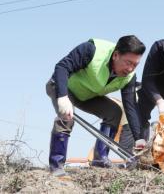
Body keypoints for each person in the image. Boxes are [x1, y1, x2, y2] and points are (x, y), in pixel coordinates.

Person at [46, 35, 146, 177]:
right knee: (67, 117)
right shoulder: (92, 50)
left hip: (87, 95)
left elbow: (130, 107)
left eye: (135, 64)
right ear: (116, 55)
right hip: (61, 87)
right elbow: (62, 67)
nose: (130, 69)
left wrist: (138, 138)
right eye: (128, 62)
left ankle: (100, 160)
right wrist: (62, 97)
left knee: (114, 112)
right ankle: (57, 166)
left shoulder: (129, 76)